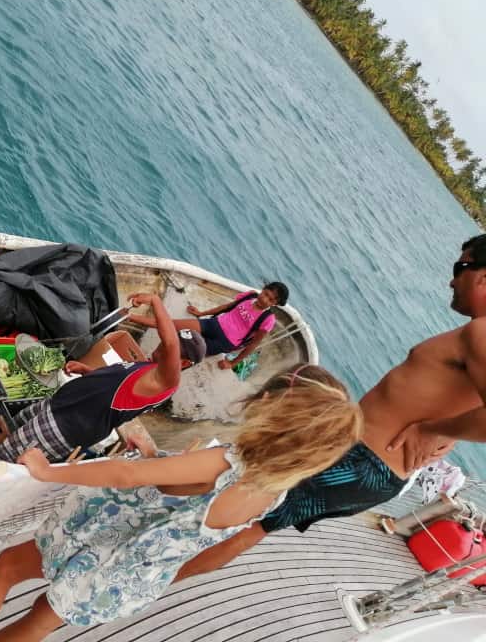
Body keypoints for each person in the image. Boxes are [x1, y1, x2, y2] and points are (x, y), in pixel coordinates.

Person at [0, 365, 362, 642]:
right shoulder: (273, 492)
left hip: (101, 544)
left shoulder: (223, 462)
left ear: (269, 406)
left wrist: (49, 472)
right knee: (39, 622)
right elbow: (184, 504)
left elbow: (126, 475)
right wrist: (158, 459)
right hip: (130, 576)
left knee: (7, 567)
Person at [174, 235, 486, 582]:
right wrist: (447, 428)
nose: (451, 279)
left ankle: (144, 580)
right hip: (369, 467)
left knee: (240, 512)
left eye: (461, 267)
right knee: (255, 525)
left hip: (360, 459)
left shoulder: (481, 332)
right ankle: (153, 582)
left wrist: (435, 430)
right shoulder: (473, 334)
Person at [0, 293, 205, 463]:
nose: (161, 345)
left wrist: (156, 301)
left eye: (173, 350)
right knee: (8, 430)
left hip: (65, 426)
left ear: (183, 363)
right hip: (61, 404)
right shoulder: (150, 366)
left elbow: (170, 344)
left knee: (6, 459)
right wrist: (87, 371)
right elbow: (115, 384)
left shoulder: (166, 382)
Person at [127, 281, 289, 369]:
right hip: (214, 324)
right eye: (266, 294)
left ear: (275, 304)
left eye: (271, 300)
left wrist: (232, 363)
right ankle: (128, 316)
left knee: (184, 356)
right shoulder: (249, 296)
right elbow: (226, 307)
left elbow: (253, 344)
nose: (265, 299)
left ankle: (153, 370)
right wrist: (201, 314)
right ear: (263, 289)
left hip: (225, 342)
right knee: (170, 325)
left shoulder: (268, 319)